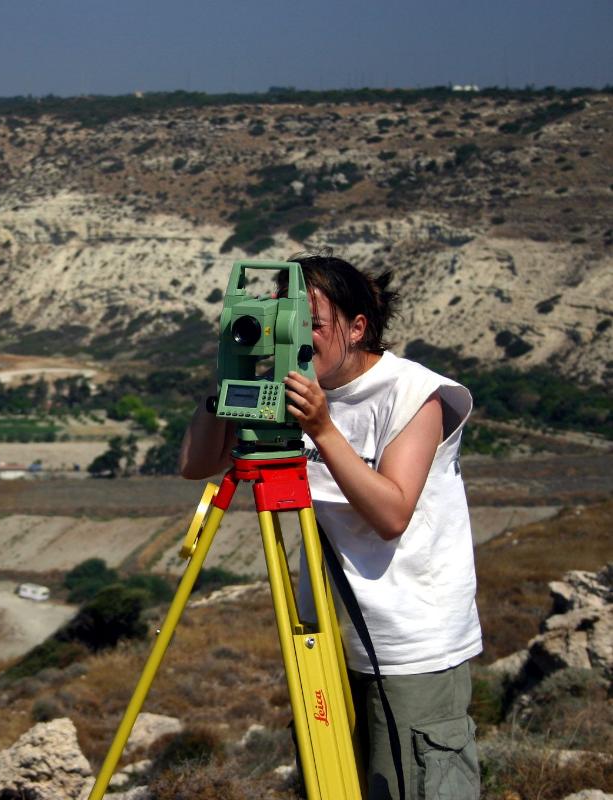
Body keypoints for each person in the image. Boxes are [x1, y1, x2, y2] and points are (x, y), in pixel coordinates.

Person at [179, 253, 482, 800]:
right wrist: (232, 373)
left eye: (311, 324)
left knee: (410, 785)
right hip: (326, 640)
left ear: (357, 327)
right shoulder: (286, 385)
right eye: (285, 319)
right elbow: (197, 465)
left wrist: (321, 427)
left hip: (410, 642)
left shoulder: (415, 394)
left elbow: (391, 514)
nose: (296, 336)